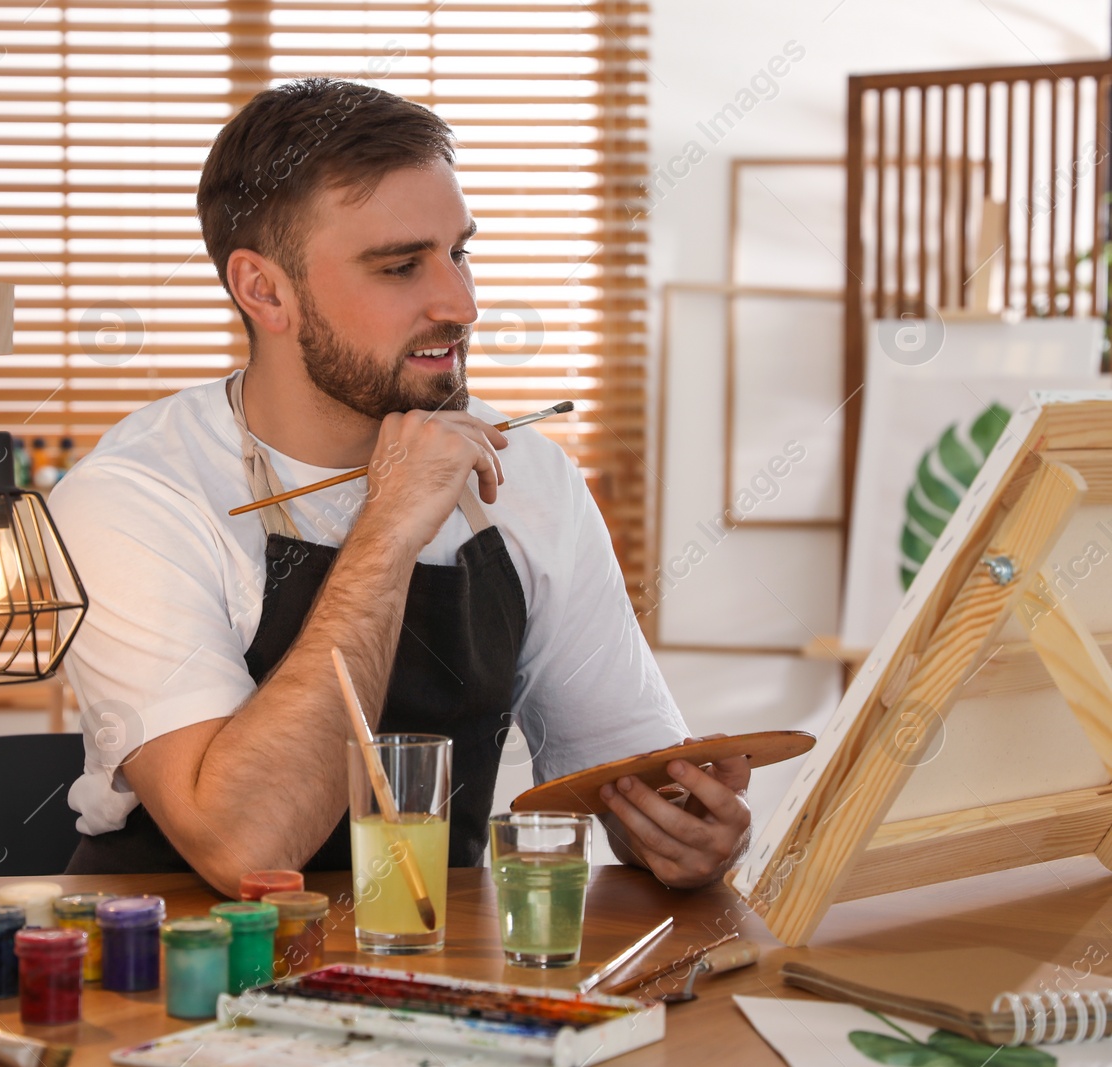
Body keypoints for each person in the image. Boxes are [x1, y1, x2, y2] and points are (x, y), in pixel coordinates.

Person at [49, 77, 750, 895]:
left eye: (459, 251)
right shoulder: (132, 497)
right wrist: (389, 525)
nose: (461, 302)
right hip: (171, 969)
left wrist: (679, 829)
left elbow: (623, 772)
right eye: (399, 266)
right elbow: (246, 844)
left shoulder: (529, 473)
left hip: (430, 959)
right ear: (263, 289)